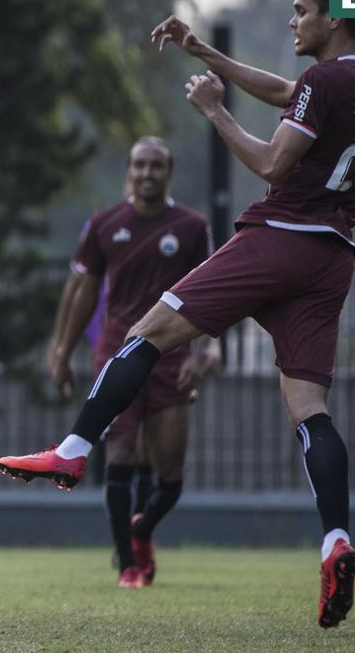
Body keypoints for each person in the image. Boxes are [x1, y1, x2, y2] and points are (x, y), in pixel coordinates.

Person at [0, 0, 355, 627]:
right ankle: (334, 540)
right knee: (308, 407)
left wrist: (212, 109)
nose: (293, 19)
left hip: (279, 238)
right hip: (330, 257)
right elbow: (287, 93)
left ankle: (71, 452)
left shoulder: (322, 80)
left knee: (143, 334)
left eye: (301, 10)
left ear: (331, 19)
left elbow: (271, 161)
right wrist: (202, 49)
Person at [47, 137, 220, 588]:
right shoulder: (105, 224)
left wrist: (207, 348)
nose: (147, 173)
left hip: (172, 355)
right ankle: (127, 564)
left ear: (170, 172)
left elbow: (214, 291)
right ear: (128, 171)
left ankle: (141, 531)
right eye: (140, 165)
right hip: (117, 350)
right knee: (120, 452)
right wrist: (61, 351)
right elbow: (81, 290)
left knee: (170, 475)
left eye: (156, 166)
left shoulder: (191, 226)